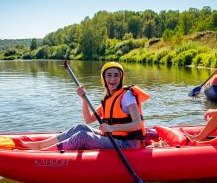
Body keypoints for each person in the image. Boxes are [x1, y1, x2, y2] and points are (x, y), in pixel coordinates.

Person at [20, 62, 150, 151]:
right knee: (80, 127)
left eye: (116, 75)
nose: (113, 78)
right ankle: (40, 145)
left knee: (83, 136)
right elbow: (88, 120)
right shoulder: (108, 99)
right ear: (104, 78)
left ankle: (45, 152)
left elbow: (137, 124)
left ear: (121, 77)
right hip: (113, 138)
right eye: (109, 75)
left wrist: (111, 127)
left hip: (128, 144)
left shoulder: (127, 95)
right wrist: (83, 99)